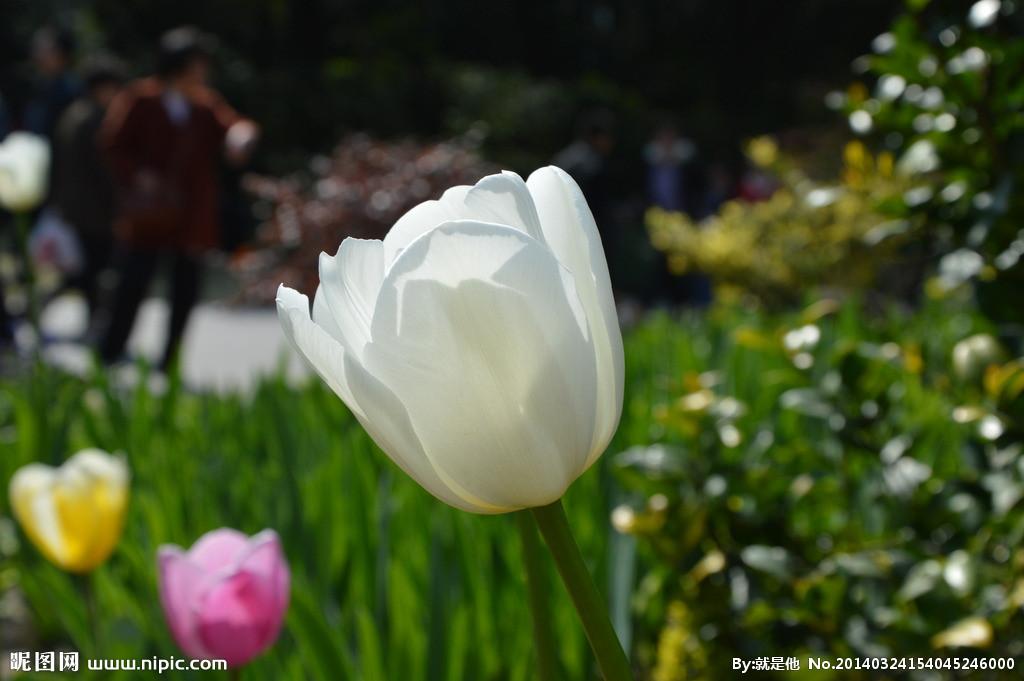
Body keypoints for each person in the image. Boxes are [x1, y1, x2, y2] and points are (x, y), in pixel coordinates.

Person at [96, 27, 258, 370]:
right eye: (197, 65)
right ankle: (110, 352)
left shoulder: (204, 104)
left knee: (185, 288)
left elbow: (234, 126)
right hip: (150, 213)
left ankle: (169, 361)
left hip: (192, 214)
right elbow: (113, 145)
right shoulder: (141, 99)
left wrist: (241, 136)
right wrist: (140, 174)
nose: (202, 72)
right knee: (132, 283)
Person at [50, 56, 125, 327]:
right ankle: (95, 323)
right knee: (95, 269)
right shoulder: (95, 120)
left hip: (75, 207)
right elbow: (102, 170)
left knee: (86, 267)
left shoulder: (72, 114)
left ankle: (86, 315)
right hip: (95, 211)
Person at [23, 26, 83, 140]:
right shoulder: (37, 86)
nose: (38, 55)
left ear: (63, 54)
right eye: (37, 49)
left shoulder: (72, 91)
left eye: (45, 50)